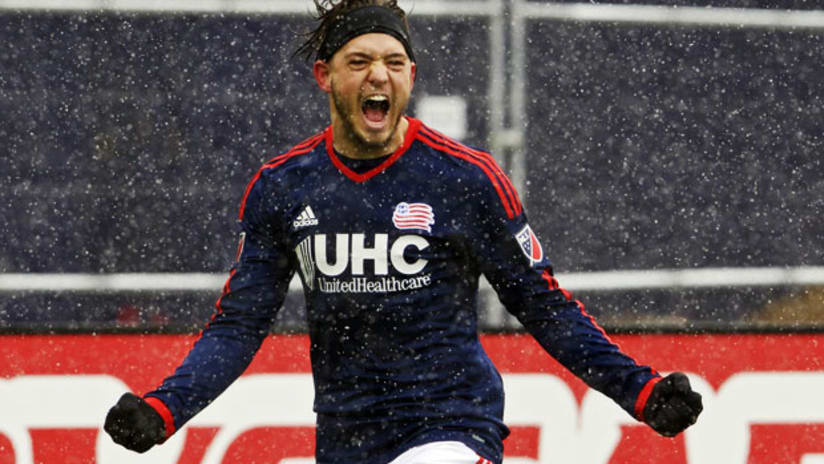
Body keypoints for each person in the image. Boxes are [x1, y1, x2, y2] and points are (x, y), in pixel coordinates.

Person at [103, 1, 703, 462]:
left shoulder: (466, 178)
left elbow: (543, 305)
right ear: (325, 76)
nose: (378, 77)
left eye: (393, 63)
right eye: (359, 62)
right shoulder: (283, 187)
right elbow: (238, 326)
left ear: (411, 74)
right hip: (346, 433)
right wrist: (165, 407)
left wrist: (640, 392)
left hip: (451, 421)